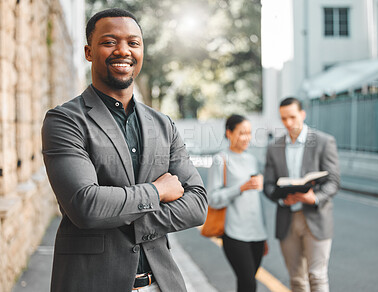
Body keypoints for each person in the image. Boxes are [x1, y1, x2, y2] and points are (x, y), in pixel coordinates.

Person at [41, 8, 207, 292]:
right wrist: (156, 192)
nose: (123, 50)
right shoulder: (65, 121)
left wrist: (124, 219)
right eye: (109, 42)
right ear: (88, 52)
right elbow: (86, 206)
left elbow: (197, 205)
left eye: (133, 43)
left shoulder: (163, 124)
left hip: (161, 283)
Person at [263, 97, 340, 292]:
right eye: (283, 118)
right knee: (296, 280)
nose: (288, 123)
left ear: (303, 115)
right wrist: (281, 198)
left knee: (317, 276)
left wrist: (314, 198)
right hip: (287, 219)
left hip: (316, 217)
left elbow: (333, 182)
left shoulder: (324, 142)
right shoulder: (274, 148)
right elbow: (268, 185)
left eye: (292, 117)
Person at [207, 114, 269, 292]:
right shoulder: (221, 159)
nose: (247, 137)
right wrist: (240, 188)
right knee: (249, 283)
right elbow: (213, 198)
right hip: (234, 233)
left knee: (246, 285)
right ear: (229, 133)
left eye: (249, 133)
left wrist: (263, 233)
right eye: (242, 133)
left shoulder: (252, 160)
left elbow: (257, 201)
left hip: (256, 234)